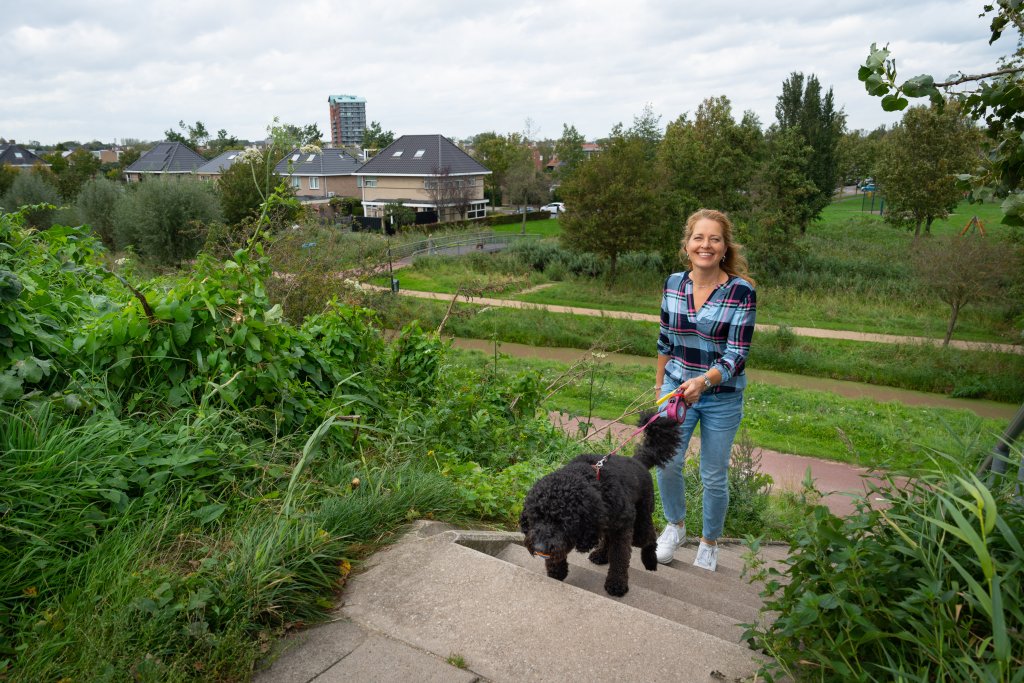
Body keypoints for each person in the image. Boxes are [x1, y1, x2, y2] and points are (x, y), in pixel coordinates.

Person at [653, 208, 756, 571]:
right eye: (699, 237)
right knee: (666, 461)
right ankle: (675, 526)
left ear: (725, 247)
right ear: (687, 244)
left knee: (713, 474)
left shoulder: (741, 292)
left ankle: (709, 541)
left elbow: (737, 355)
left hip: (720, 398)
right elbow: (665, 342)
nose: (706, 245)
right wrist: (660, 387)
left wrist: (703, 381)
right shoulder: (672, 283)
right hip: (677, 390)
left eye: (714, 239)